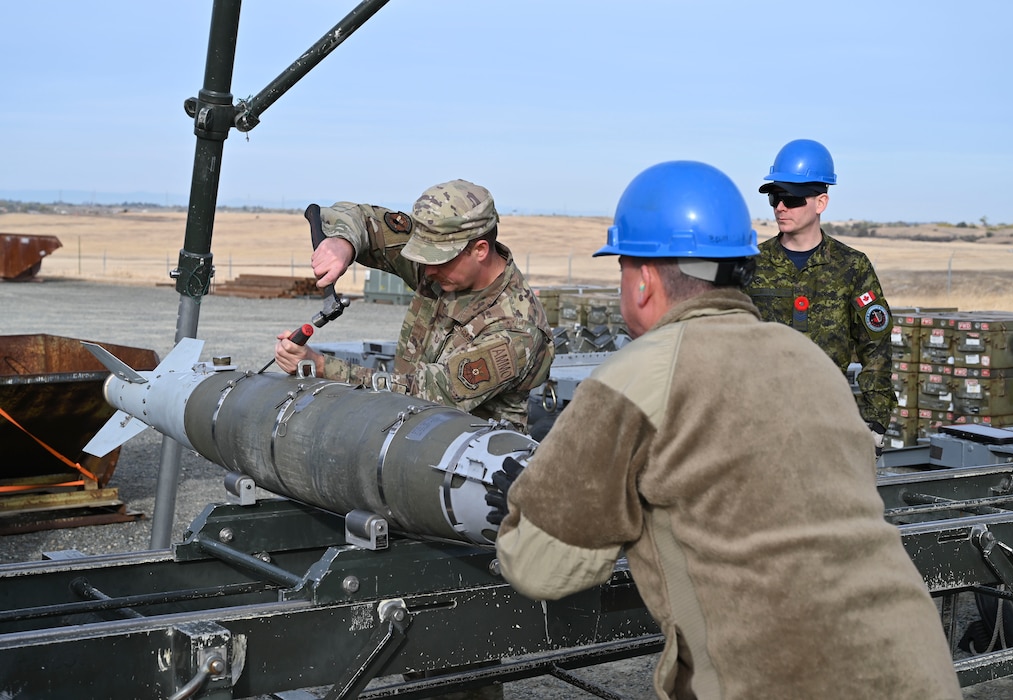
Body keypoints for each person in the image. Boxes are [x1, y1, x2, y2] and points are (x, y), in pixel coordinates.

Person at [487, 161, 962, 699]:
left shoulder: (636, 378)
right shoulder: (810, 363)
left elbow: (543, 566)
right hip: (918, 674)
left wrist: (532, 500)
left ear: (642, 281)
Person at [274, 179, 554, 434]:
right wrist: (345, 243)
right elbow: (363, 219)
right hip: (409, 437)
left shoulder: (517, 329)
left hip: (468, 466)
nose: (426, 271)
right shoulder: (442, 260)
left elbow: (430, 393)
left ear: (479, 250)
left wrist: (322, 367)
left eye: (437, 260)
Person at [743, 139, 895, 453]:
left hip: (827, 423)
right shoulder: (751, 264)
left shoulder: (851, 267)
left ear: (820, 203)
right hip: (758, 422)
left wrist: (875, 420)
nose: (780, 207)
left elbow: (876, 348)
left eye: (792, 199)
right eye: (775, 197)